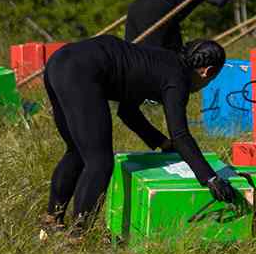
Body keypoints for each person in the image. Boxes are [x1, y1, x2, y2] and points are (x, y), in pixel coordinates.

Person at [42, 36, 243, 227]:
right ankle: (77, 235)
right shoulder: (178, 80)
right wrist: (210, 178)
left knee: (77, 151)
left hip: (59, 61)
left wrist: (162, 143)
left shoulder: (156, 61)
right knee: (99, 163)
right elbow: (180, 135)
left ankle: (52, 220)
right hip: (82, 71)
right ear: (207, 72)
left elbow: (128, 112)